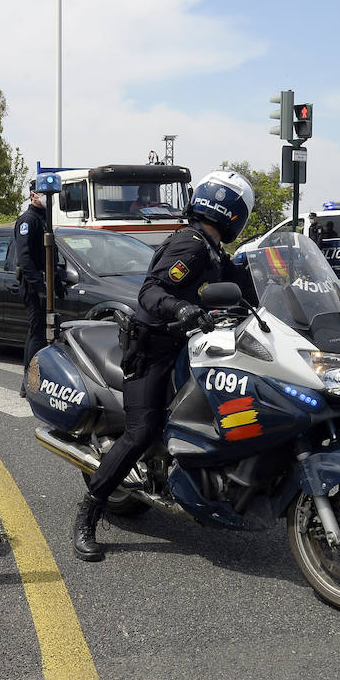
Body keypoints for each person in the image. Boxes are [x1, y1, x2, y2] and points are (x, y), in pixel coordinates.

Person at [72, 169, 259, 562]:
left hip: (189, 346)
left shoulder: (212, 250)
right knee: (141, 431)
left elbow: (240, 290)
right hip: (152, 348)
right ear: (232, 212)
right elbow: (150, 292)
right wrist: (184, 308)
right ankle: (90, 510)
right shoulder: (189, 246)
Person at [14, 181, 50, 397]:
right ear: (33, 195)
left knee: (46, 334)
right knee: (36, 333)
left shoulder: (45, 219)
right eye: (44, 194)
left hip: (47, 284)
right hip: (34, 287)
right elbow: (25, 259)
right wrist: (39, 286)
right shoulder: (28, 220)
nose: (47, 198)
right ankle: (28, 382)